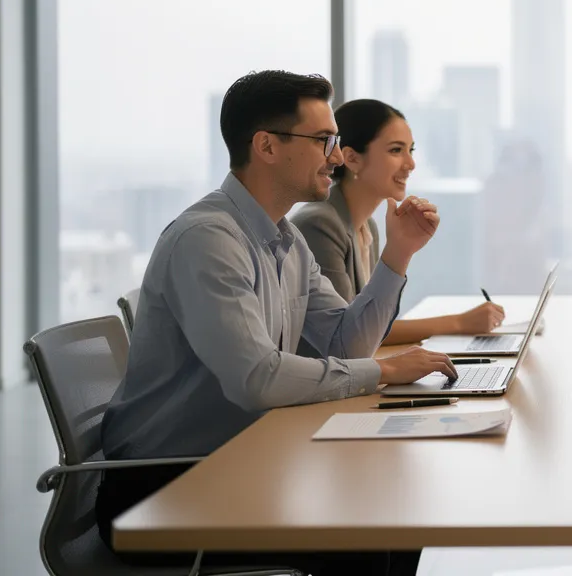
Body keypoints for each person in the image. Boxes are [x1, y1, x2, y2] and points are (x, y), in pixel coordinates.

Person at [97, 71, 456, 576]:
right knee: (372, 532)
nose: (336, 155)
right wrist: (387, 371)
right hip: (166, 487)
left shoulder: (286, 240)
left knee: (394, 514)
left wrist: (398, 255)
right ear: (266, 146)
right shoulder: (208, 240)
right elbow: (257, 380)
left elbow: (344, 342)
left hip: (237, 462)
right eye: (323, 140)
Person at [292, 98, 504, 343]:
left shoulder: (366, 225)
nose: (411, 164)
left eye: (410, 150)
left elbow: (370, 324)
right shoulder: (320, 225)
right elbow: (349, 334)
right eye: (396, 150)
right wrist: (459, 323)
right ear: (351, 159)